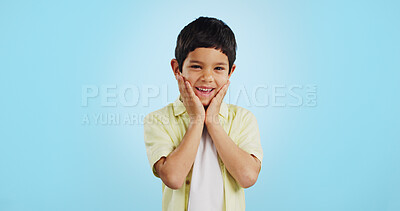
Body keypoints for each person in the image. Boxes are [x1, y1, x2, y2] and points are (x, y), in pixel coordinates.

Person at [144, 16, 263, 211]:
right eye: (196, 66)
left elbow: (248, 177)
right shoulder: (158, 120)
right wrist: (196, 120)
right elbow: (173, 178)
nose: (207, 77)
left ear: (230, 72)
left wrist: (213, 122)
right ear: (177, 69)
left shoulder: (243, 119)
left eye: (218, 68)